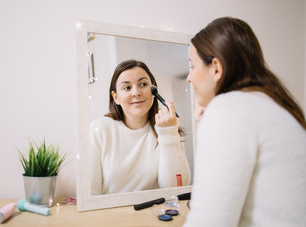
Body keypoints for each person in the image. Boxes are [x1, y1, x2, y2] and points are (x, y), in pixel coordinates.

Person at [183, 17, 306, 227]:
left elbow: (210, 221)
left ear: (216, 68)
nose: (189, 77)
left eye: (192, 66)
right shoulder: (275, 104)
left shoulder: (228, 109)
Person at [90, 59, 191, 195]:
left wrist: (168, 133)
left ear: (153, 91)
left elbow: (177, 188)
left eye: (143, 84)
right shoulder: (100, 129)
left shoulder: (167, 128)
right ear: (116, 97)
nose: (136, 92)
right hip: (110, 215)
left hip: (154, 213)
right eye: (127, 87)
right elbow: (90, 192)